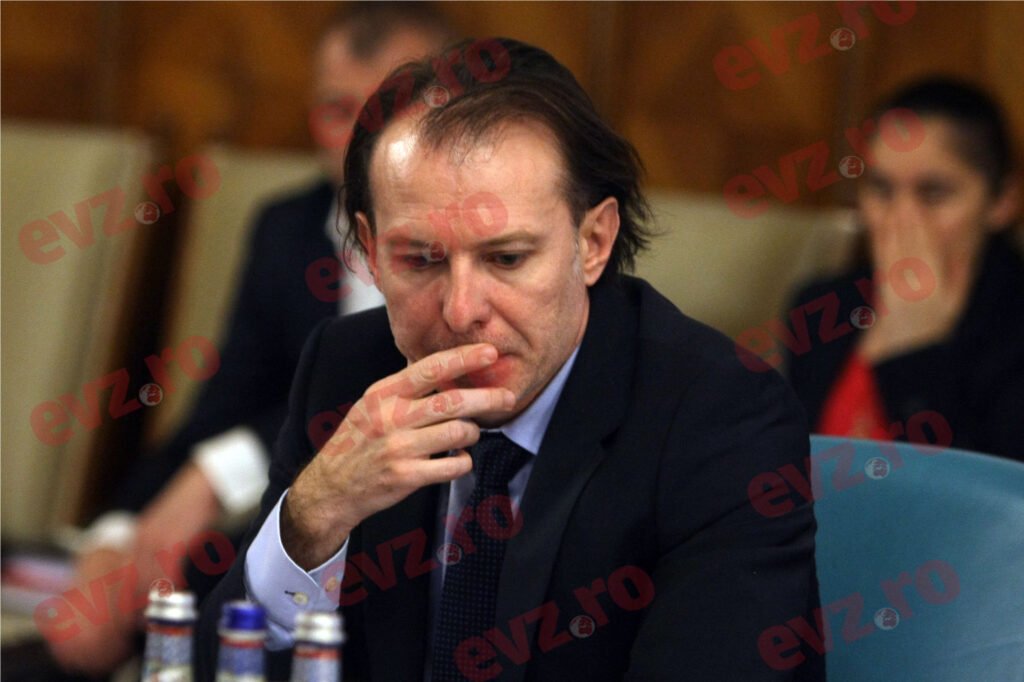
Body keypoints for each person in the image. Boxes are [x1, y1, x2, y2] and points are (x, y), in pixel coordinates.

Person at [195, 38, 823, 681]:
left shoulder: (721, 417)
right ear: (369, 251)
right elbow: (221, 666)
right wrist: (311, 517)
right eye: (421, 260)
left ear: (593, 241)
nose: (461, 310)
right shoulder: (348, 369)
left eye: (506, 258)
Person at [47, 5, 454, 677]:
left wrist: (218, 474)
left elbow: (401, 389)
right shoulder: (286, 229)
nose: (360, 136)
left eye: (387, 108)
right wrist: (116, 536)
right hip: (271, 516)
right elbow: (223, 402)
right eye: (337, 110)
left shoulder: (470, 237)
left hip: (407, 536)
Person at [785, 77, 1023, 462]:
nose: (901, 217)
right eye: (881, 189)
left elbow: (987, 490)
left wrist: (914, 355)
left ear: (1002, 201)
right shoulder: (823, 306)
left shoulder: (1011, 330)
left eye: (933, 193)